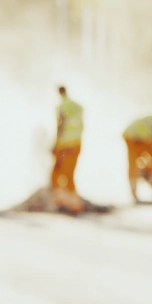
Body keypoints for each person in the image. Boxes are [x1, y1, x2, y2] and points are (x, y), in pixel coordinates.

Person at [51, 85, 85, 213]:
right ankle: (72, 204)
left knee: (57, 173)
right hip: (76, 144)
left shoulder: (61, 107)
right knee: (69, 174)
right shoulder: (78, 106)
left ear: (59, 92)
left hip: (65, 145)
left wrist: (55, 144)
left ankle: (63, 203)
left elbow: (60, 125)